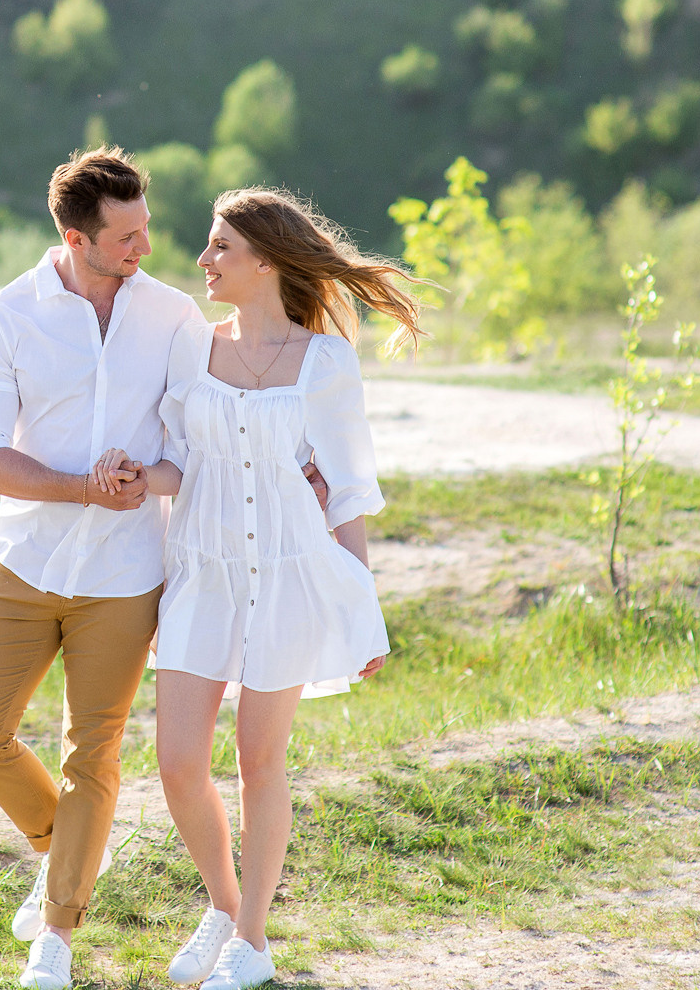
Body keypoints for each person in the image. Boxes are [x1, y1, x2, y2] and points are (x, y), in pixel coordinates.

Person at [93, 186, 425, 989]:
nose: (203, 260)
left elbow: (347, 490)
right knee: (177, 760)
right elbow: (182, 462)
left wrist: (361, 608)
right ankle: (220, 904)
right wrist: (139, 477)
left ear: (267, 260)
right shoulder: (191, 349)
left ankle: (252, 939)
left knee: (259, 759)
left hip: (288, 577)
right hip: (201, 575)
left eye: (220, 248)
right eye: (208, 247)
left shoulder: (325, 362)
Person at [0, 147, 203, 990]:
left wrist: (143, 478)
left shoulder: (171, 316)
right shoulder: (6, 317)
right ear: (75, 236)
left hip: (128, 573)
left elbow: (200, 425)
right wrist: (79, 490)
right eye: (126, 236)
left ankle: (53, 939)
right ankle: (69, 851)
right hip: (25, 560)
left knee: (92, 754)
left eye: (146, 229)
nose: (144, 249)